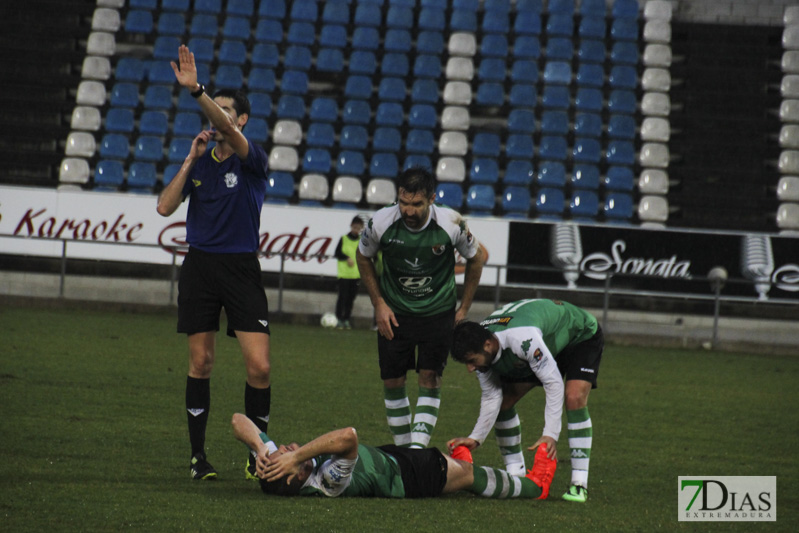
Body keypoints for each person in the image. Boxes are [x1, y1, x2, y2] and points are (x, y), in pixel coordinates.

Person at [156, 44, 272, 481]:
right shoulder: (202, 162)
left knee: (259, 367)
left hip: (241, 269)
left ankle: (257, 454)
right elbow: (165, 208)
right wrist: (189, 160)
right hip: (201, 268)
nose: (218, 116)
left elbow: (222, 122)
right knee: (200, 363)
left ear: (240, 120)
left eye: (226, 111)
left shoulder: (251, 158)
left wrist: (197, 90)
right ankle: (197, 457)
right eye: (214, 108)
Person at [356, 167, 485, 449]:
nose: (409, 211)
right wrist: (378, 303)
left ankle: (416, 450)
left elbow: (478, 258)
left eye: (417, 204)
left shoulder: (452, 223)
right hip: (395, 314)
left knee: (430, 377)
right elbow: (363, 257)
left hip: (437, 313)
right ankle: (404, 450)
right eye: (404, 203)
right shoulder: (380, 222)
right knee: (392, 380)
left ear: (431, 199)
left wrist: (463, 308)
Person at [447, 298, 603, 503]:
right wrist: (476, 437)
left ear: (487, 345)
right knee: (503, 404)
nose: (470, 369)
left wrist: (550, 434)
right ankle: (516, 475)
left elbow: (553, 382)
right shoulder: (481, 345)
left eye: (472, 361)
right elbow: (492, 395)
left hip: (579, 335)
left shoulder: (521, 339)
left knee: (573, 397)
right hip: (544, 340)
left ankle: (579, 484)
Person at [230, 413, 557, 500]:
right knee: (468, 478)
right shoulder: (326, 482)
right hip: (409, 479)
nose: (283, 449)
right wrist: (296, 455)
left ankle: (462, 464)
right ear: (297, 475)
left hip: (389, 460)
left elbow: (237, 420)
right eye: (286, 455)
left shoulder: (281, 469)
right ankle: (533, 488)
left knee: (455, 468)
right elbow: (348, 436)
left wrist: (261, 449)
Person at [333, 216, 365, 329]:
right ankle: (338, 319)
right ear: (351, 226)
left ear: (361, 228)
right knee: (342, 297)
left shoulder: (362, 241)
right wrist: (346, 258)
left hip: (355, 275)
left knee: (351, 298)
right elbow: (337, 253)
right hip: (344, 274)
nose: (356, 229)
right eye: (354, 227)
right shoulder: (343, 239)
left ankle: (346, 319)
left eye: (358, 227)